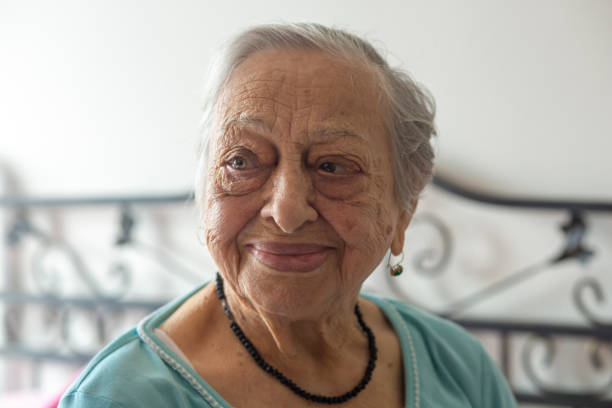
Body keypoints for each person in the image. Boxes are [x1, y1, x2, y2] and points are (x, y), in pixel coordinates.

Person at [59, 23, 516, 407]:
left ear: (403, 210)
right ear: (204, 193)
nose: (287, 211)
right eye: (242, 161)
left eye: (333, 166)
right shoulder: (120, 397)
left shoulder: (459, 368)